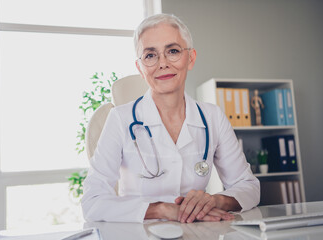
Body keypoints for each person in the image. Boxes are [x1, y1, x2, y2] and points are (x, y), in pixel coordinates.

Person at [82, 13, 260, 223]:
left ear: (190, 58)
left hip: (196, 231)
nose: (163, 63)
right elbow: (92, 202)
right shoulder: (121, 119)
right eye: (150, 55)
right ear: (140, 68)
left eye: (173, 51)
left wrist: (215, 201)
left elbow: (249, 186)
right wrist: (161, 210)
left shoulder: (212, 117)